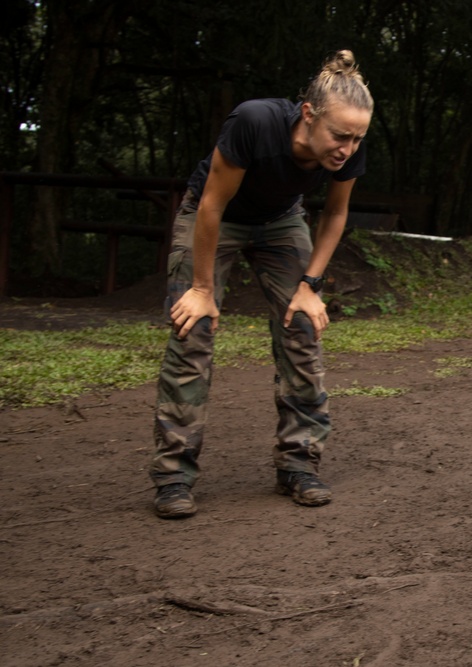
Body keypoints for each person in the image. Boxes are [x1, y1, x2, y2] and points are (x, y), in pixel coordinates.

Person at [149, 50, 374, 519]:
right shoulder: (255, 122)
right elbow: (212, 205)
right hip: (215, 217)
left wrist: (310, 284)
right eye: (339, 136)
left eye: (356, 139)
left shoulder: (348, 142)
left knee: (302, 329)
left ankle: (299, 464)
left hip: (280, 220)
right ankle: (173, 475)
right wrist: (203, 290)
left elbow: (335, 213)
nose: (346, 149)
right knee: (193, 332)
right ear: (308, 115)